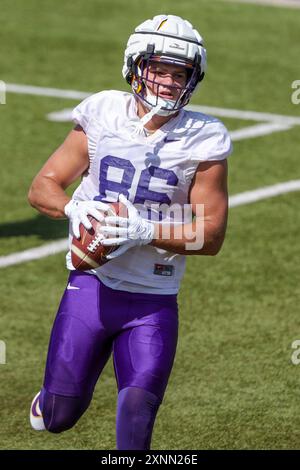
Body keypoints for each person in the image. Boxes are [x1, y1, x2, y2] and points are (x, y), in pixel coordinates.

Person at [28, 14, 232, 450]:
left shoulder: (205, 138)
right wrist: (74, 208)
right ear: (135, 67)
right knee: (60, 417)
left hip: (153, 301)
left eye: (180, 73)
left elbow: (211, 236)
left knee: (136, 422)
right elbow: (41, 188)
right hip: (92, 285)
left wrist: (145, 230)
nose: (168, 82)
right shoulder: (102, 112)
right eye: (159, 69)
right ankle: (48, 402)